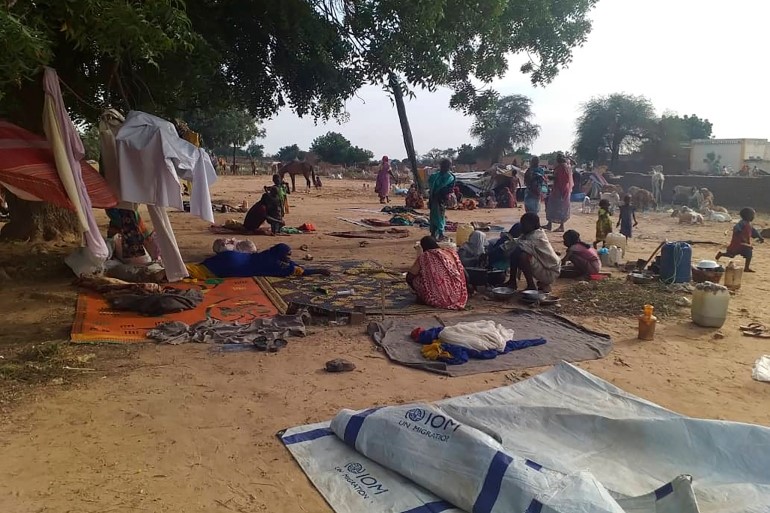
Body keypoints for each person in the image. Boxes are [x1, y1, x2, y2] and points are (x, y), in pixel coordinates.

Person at [187, 243, 331, 279]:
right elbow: (299, 271)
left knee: (199, 267)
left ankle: (173, 268)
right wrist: (318, 271)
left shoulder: (268, 254)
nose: (289, 258)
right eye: (287, 255)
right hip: (234, 265)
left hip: (232, 256)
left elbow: (291, 263)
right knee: (199, 273)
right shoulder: (276, 265)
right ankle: (168, 272)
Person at [406, 236, 468, 310]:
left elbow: (410, 276)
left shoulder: (425, 256)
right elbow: (464, 273)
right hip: (458, 296)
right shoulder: (451, 253)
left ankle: (425, 296)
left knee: (416, 280)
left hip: (439, 299)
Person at [506, 213, 560, 292]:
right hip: (545, 266)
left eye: (524, 224)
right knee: (516, 252)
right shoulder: (531, 233)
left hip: (549, 272)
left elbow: (518, 244)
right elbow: (518, 241)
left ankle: (531, 286)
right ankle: (512, 281)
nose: (522, 226)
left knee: (522, 256)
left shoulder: (536, 237)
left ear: (533, 225)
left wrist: (505, 243)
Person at [716, 207, 765, 272]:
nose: (753, 217)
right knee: (731, 255)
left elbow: (754, 231)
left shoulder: (749, 224)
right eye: (752, 215)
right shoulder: (742, 223)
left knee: (749, 254)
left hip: (745, 244)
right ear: (747, 216)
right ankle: (721, 254)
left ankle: (746, 268)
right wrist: (739, 233)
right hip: (737, 244)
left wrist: (760, 237)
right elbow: (736, 228)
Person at [427, 159, 456, 240]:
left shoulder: (445, 176)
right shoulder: (447, 176)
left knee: (437, 216)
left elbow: (446, 188)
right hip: (436, 198)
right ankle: (438, 233)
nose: (445, 167)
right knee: (437, 216)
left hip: (438, 198)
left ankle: (437, 233)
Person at [544, 153, 573, 232]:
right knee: (553, 206)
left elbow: (561, 179)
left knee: (560, 207)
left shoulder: (562, 167)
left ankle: (560, 226)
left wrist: (550, 177)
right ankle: (549, 224)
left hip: (561, 190)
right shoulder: (564, 167)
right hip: (559, 189)